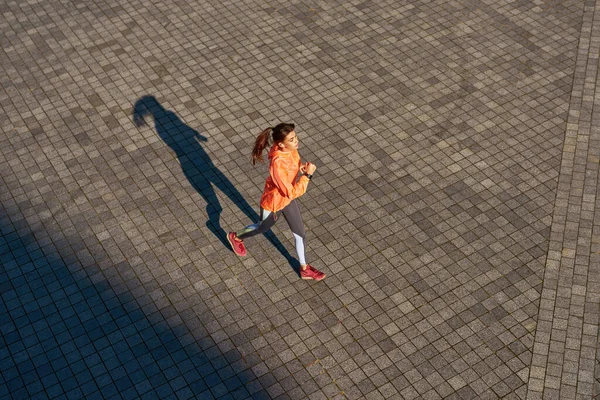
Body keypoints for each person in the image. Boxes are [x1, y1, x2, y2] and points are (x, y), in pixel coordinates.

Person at [228, 123, 326, 281]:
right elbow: (292, 191)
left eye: (295, 137)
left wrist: (300, 168)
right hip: (273, 204)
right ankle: (236, 237)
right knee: (261, 227)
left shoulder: (290, 149)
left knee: (300, 234)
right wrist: (307, 176)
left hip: (287, 200)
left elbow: (291, 170)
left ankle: (304, 269)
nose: (296, 141)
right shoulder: (277, 164)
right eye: (292, 139)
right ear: (281, 144)